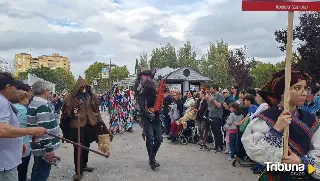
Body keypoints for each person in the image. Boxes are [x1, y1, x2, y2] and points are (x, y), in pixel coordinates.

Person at [242, 70, 320, 180]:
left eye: (305, 88)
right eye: (298, 88)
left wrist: (301, 162)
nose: (304, 93)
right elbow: (255, 152)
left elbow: (318, 153)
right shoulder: (266, 118)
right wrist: (276, 129)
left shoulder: (311, 120)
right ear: (283, 92)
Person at [60, 76, 112, 180]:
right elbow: (65, 112)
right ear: (78, 87)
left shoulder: (91, 96)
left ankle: (84, 165)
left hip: (89, 124)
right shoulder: (71, 97)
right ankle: (78, 170)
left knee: (86, 146)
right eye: (82, 87)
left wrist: (99, 120)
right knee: (78, 147)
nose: (84, 89)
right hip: (77, 125)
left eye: (85, 87)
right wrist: (72, 112)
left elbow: (96, 109)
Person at [0, 72, 47, 181]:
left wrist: (18, 142)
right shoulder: (1, 101)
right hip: (4, 163)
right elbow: (2, 130)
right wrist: (31, 130)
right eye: (14, 87)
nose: (16, 91)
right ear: (7, 87)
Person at [27, 81, 61, 181]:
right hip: (43, 146)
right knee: (41, 174)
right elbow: (43, 130)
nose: (50, 93)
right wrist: (49, 149)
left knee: (38, 171)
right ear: (45, 91)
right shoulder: (42, 105)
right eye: (50, 91)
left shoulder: (35, 103)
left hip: (38, 144)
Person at [134, 70, 163, 170]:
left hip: (156, 118)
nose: (151, 91)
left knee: (159, 139)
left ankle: (152, 157)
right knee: (150, 138)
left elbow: (159, 104)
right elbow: (142, 110)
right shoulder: (142, 97)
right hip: (146, 119)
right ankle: (152, 160)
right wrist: (149, 114)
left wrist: (157, 111)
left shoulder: (156, 96)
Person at [12, 90, 32, 181]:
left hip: (11, 142)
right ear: (21, 99)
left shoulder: (10, 107)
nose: (28, 100)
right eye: (26, 98)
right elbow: (29, 125)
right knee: (22, 170)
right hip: (24, 142)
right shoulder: (24, 110)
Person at [208, 85, 225, 152]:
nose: (210, 90)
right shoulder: (212, 95)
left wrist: (213, 99)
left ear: (215, 89)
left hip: (217, 115)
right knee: (214, 131)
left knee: (218, 131)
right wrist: (208, 100)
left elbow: (219, 106)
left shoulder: (219, 95)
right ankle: (216, 146)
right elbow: (209, 105)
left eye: (211, 89)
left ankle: (220, 147)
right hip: (211, 115)